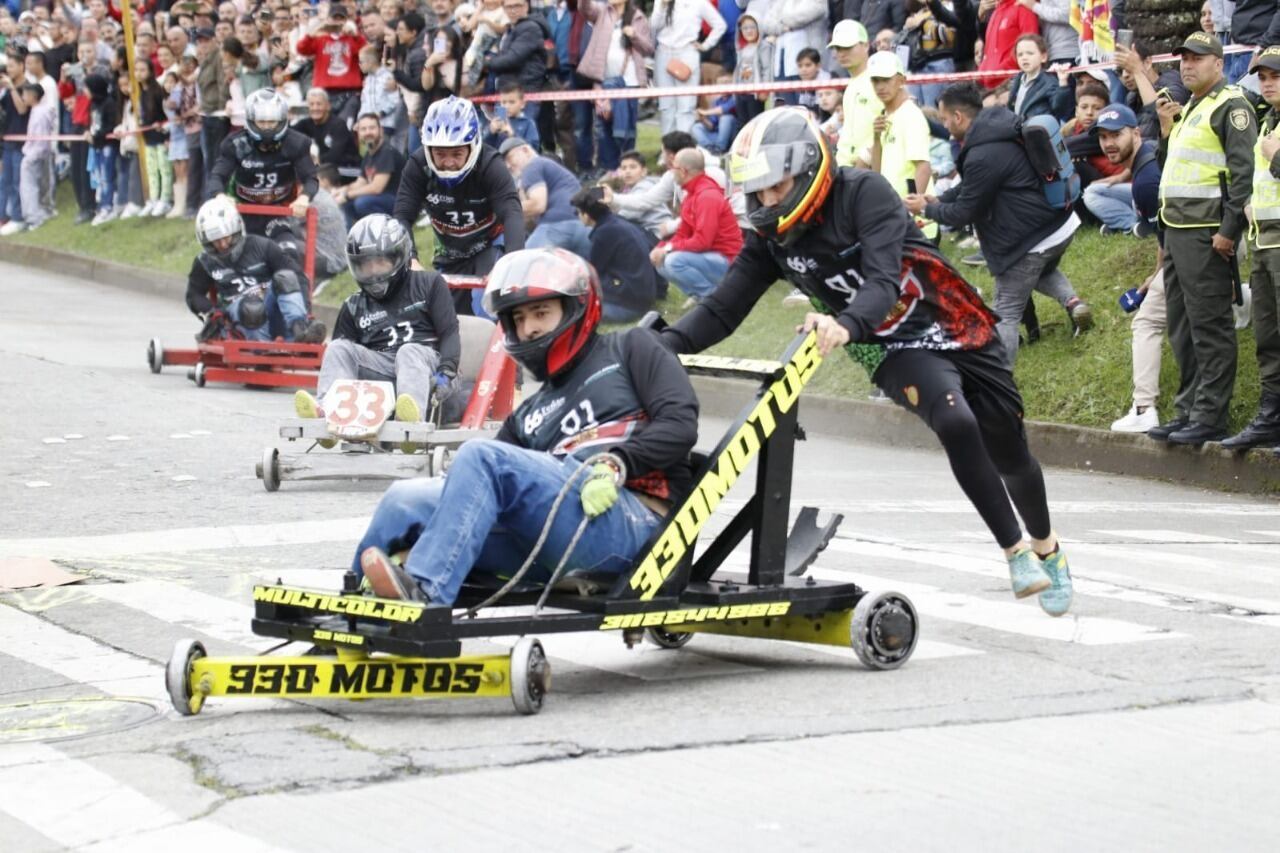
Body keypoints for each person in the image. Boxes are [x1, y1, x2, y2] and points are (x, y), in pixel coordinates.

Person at [660, 106, 1075, 617]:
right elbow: (722, 309)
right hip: (886, 345)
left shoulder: (863, 193)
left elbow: (881, 280)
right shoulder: (769, 240)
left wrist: (845, 323)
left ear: (810, 169)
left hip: (952, 322)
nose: (767, 202)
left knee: (1010, 452)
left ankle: (1046, 546)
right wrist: (664, 346)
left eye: (777, 187)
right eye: (758, 191)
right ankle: (1015, 552)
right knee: (953, 417)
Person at [354, 248, 700, 606]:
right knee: (404, 500)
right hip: (548, 538)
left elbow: (680, 423)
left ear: (577, 307)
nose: (528, 327)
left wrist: (617, 461)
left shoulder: (631, 348)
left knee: (479, 455)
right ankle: (349, 608)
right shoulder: (530, 412)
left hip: (629, 523)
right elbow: (476, 488)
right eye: (518, 318)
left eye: (541, 312)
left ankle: (426, 598)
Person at [906, 83, 1094, 364]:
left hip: (1032, 237)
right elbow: (969, 188)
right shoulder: (998, 129)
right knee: (1041, 270)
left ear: (958, 117)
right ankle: (1074, 304)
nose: (943, 125)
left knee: (1006, 309)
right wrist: (935, 200)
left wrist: (927, 210)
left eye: (944, 119)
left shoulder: (983, 153)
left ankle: (999, 383)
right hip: (1059, 224)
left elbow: (964, 213)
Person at [1149, 32, 1256, 447]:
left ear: (1218, 62)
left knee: (1209, 325)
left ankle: (1210, 416)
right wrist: (1164, 129)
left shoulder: (1232, 107)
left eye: (1197, 58)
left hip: (1205, 232)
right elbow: (1169, 170)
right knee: (1181, 326)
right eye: (1183, 60)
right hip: (1176, 230)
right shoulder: (1190, 109)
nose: (1188, 66)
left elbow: (1242, 175)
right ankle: (1188, 411)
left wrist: (1229, 232)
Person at [295, 213, 461, 443]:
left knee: (408, 352)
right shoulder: (354, 305)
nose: (373, 272)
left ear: (398, 256)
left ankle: (409, 428)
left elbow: (450, 333)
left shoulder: (429, 283)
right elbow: (344, 361)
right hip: (383, 372)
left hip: (430, 368)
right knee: (338, 348)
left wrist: (447, 373)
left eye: (380, 262)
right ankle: (329, 414)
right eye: (365, 264)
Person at [392, 95, 525, 316]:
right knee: (449, 320)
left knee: (487, 306)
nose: (449, 162)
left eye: (457, 153)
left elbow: (512, 212)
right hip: (451, 251)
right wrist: (411, 260)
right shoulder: (417, 165)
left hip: (489, 243)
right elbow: (402, 215)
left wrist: (511, 264)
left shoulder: (490, 164)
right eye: (440, 154)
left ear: (472, 146)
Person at [1223, 45, 1280, 451]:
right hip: (1264, 242)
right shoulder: (1267, 123)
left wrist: (1277, 158)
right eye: (1262, 77)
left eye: (1275, 76)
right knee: (1268, 336)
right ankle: (1271, 417)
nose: (1268, 83)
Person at [185, 196, 326, 344]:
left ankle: (301, 329)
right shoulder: (205, 261)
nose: (223, 245)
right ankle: (261, 348)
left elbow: (298, 277)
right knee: (252, 308)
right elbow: (193, 295)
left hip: (272, 310)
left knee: (286, 277)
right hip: (237, 317)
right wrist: (213, 313)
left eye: (226, 238)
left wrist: (306, 311)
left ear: (236, 230)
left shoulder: (263, 246)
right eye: (215, 241)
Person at [206, 87, 317, 254]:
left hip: (280, 213)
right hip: (243, 213)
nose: (267, 128)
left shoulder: (296, 143)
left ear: (281, 120)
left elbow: (311, 178)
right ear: (251, 120)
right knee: (238, 258)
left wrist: (304, 197)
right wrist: (220, 196)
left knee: (288, 253)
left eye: (272, 122)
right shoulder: (234, 144)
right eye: (262, 122)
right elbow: (217, 176)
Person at [649, 147, 742, 305]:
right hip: (710, 257)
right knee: (661, 262)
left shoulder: (707, 196)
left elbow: (702, 242)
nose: (671, 172)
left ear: (683, 171)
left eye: (673, 167)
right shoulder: (692, 194)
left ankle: (713, 299)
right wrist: (661, 247)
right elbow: (683, 233)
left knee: (673, 261)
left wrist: (668, 249)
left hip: (729, 261)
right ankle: (701, 296)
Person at [865, 51, 938, 241]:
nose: (880, 87)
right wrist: (876, 138)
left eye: (886, 80)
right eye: (875, 81)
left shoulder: (911, 115)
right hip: (896, 219)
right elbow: (877, 172)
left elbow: (923, 167)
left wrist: (911, 215)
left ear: (901, 80)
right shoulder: (885, 114)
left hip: (916, 226)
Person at [571, 185, 659, 321]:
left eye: (578, 212)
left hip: (630, 305)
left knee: (577, 306)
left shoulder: (604, 233)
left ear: (586, 214)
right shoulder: (616, 223)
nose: (577, 216)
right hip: (642, 295)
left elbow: (594, 272)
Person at [501, 136, 592, 258]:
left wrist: (501, 210)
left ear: (525, 150)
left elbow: (538, 205)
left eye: (509, 158)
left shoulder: (532, 166)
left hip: (558, 225)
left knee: (523, 264)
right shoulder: (548, 167)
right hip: (584, 229)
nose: (507, 166)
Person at [1083, 104, 1159, 236]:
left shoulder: (1146, 181)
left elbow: (1163, 235)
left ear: (1136, 134)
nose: (1108, 144)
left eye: (1116, 134)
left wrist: (1149, 228)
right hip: (1140, 193)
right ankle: (1131, 222)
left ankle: (1135, 226)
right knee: (1093, 191)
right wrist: (1121, 177)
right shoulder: (1147, 148)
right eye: (1103, 137)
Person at [650, 0, 725, 134]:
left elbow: (720, 25)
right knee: (666, 107)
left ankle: (684, 149)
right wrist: (662, 6)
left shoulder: (698, 2)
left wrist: (706, 45)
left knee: (686, 107)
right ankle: (668, 148)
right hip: (663, 53)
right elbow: (653, 27)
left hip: (687, 54)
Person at [295, 4, 366, 123]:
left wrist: (355, 35)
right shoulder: (320, 38)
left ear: (347, 21)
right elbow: (301, 49)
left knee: (345, 126)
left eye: (341, 19)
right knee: (326, 127)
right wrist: (313, 32)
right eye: (334, 19)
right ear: (328, 20)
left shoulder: (353, 38)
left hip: (349, 92)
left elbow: (366, 53)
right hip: (325, 92)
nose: (337, 23)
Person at [331, 113, 405, 226]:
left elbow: (376, 188)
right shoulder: (369, 155)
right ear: (358, 133)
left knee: (362, 203)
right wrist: (341, 191)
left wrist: (347, 195)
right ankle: (353, 239)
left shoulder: (386, 151)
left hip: (400, 202)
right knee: (347, 204)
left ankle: (391, 229)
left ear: (381, 130)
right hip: (383, 199)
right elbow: (361, 182)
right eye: (363, 129)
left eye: (372, 128)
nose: (367, 132)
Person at [483, 0, 550, 124]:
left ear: (526, 6)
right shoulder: (512, 29)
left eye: (517, 6)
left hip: (524, 93)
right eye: (509, 7)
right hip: (505, 92)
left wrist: (487, 63)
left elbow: (512, 59)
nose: (513, 10)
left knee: (522, 136)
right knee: (501, 134)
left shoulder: (530, 27)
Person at [829, 19, 876, 169]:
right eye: (838, 48)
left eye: (848, 47)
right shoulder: (851, 85)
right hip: (848, 167)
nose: (841, 53)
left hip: (865, 169)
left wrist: (865, 160)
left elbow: (889, 125)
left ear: (866, 45)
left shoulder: (879, 79)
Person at [294, 87, 361, 178]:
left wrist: (312, 160)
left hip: (347, 169)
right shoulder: (306, 123)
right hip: (325, 168)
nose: (315, 108)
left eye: (319, 104)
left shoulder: (338, 125)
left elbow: (334, 156)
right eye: (312, 104)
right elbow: (288, 134)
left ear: (328, 106)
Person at [14, 80, 54, 232]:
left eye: (24, 94)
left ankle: (33, 218)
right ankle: (35, 214)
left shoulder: (40, 113)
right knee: (32, 186)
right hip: (35, 153)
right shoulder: (38, 111)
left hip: (34, 154)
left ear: (33, 96)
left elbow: (41, 137)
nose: (23, 97)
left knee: (29, 187)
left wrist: (33, 155)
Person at [1007, 33, 1057, 120]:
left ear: (1043, 57)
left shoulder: (1050, 83)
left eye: (1029, 53)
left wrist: (1064, 85)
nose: (1024, 58)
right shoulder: (1016, 80)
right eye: (1020, 54)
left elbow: (1059, 108)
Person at [482, 81, 539, 150]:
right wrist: (491, 132)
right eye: (503, 102)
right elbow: (484, 148)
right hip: (498, 159)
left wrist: (512, 136)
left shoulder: (528, 123)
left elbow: (534, 148)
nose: (507, 106)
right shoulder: (495, 122)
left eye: (512, 102)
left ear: (522, 104)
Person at [692, 73, 737, 154]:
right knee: (696, 127)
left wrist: (704, 112)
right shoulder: (717, 101)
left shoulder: (735, 98)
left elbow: (722, 110)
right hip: (718, 135)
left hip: (732, 136)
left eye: (727, 83)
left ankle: (720, 149)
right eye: (721, 84)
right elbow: (711, 126)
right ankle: (709, 149)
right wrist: (703, 119)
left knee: (726, 118)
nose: (724, 86)